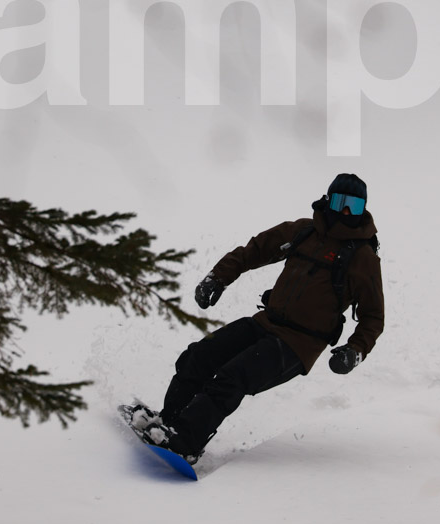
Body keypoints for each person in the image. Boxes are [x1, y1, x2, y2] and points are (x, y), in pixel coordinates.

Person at [133, 173, 384, 464]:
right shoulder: (303, 231)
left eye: (354, 206)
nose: (346, 212)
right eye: (341, 202)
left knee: (232, 378)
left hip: (298, 344)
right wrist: (218, 277)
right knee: (199, 355)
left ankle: (185, 443)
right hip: (265, 323)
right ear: (329, 201)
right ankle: (167, 422)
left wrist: (354, 351)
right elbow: (255, 250)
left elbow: (373, 316)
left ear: (363, 209)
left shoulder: (362, 257)